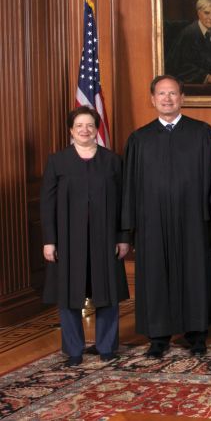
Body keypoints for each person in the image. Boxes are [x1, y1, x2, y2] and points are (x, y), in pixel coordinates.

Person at [121, 75, 211, 358]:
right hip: (152, 223)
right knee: (155, 276)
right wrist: (127, 232)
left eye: (173, 94)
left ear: (182, 98)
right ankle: (158, 335)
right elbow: (129, 187)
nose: (167, 99)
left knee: (195, 275)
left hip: (193, 221)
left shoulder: (202, 133)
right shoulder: (139, 139)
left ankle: (197, 333)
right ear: (152, 99)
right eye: (161, 94)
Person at [41, 106, 130, 366]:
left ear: (97, 128)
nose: (85, 130)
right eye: (79, 125)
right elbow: (47, 204)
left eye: (90, 125)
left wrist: (123, 236)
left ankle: (106, 346)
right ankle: (74, 349)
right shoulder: (58, 161)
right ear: (71, 129)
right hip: (68, 241)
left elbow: (123, 203)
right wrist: (50, 240)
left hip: (105, 239)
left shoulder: (112, 161)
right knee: (69, 293)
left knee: (107, 292)